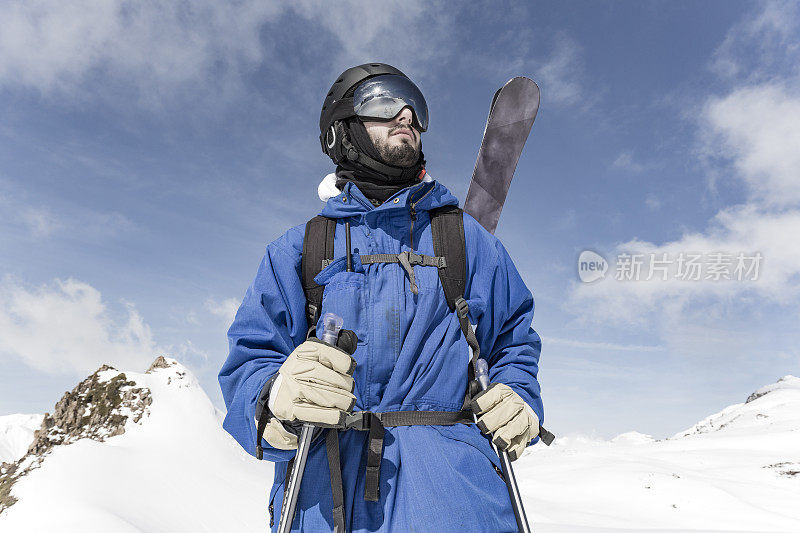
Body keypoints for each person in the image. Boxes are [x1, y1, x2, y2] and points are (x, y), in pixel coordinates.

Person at [219, 63, 546, 532]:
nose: (406, 114)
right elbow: (250, 360)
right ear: (342, 129)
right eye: (383, 101)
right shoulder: (299, 250)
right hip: (321, 501)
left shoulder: (468, 242)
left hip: (456, 502)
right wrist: (273, 402)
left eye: (415, 107)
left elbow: (513, 341)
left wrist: (519, 396)